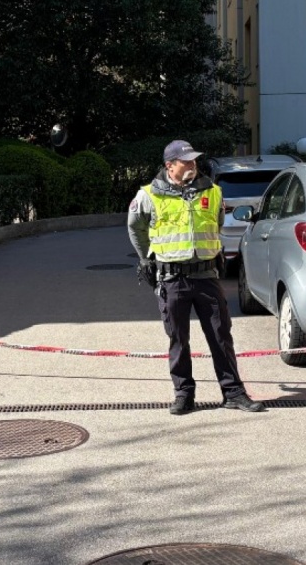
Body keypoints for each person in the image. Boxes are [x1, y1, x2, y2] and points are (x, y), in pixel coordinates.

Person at [127, 139, 266, 415]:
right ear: (170, 165)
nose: (193, 164)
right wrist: (146, 259)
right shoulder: (148, 195)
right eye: (186, 161)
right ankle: (184, 394)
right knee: (178, 339)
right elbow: (135, 226)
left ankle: (233, 393)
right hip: (172, 279)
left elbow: (217, 224)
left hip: (206, 276)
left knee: (220, 336)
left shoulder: (213, 192)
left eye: (194, 160)